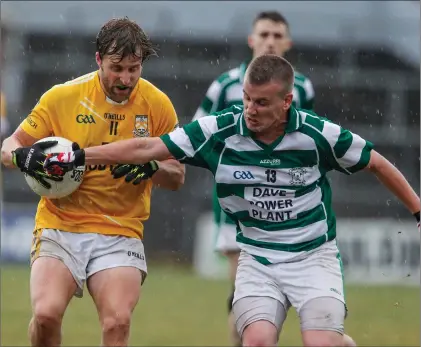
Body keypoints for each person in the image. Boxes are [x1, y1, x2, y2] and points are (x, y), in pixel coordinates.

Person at [42, 54, 420, 347]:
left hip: (313, 255)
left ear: (287, 101)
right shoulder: (220, 131)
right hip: (256, 257)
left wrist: (417, 210)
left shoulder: (319, 135)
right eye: (247, 99)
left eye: (262, 103)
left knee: (318, 341)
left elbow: (378, 164)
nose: (250, 111)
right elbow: (147, 147)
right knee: (255, 341)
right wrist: (77, 156)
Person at [0, 17, 184, 347]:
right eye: (117, 68)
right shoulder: (61, 97)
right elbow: (8, 147)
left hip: (121, 230)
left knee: (117, 322)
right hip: (60, 224)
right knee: (45, 315)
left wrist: (151, 167)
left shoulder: (157, 105)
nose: (126, 78)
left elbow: (177, 176)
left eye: (134, 68)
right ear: (98, 59)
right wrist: (22, 158)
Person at [192, 12, 315, 345]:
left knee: (278, 292)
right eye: (264, 34)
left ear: (288, 42)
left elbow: (313, 144)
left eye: (277, 34)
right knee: (245, 293)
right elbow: (195, 135)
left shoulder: (302, 88)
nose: (270, 41)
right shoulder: (226, 85)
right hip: (238, 206)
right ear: (251, 40)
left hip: (285, 205)